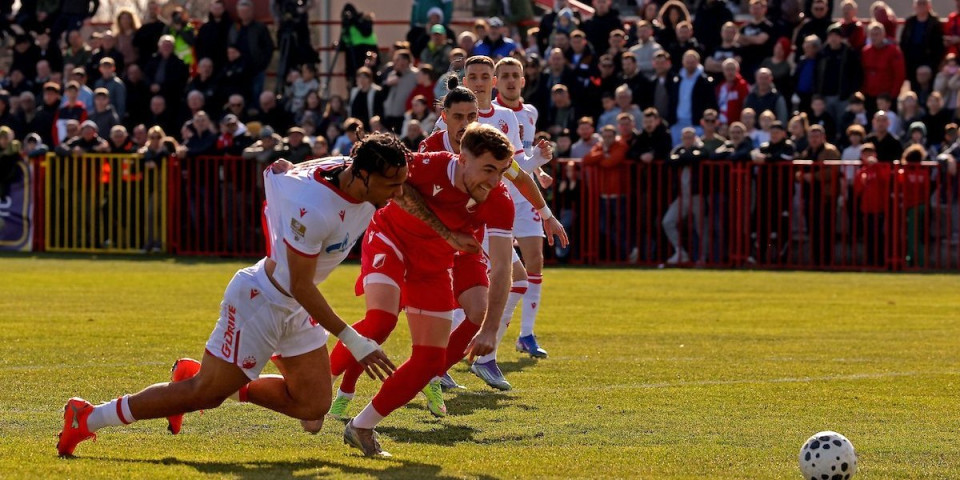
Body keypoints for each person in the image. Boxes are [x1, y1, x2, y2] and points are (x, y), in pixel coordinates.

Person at [56, 133, 420, 457]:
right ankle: (88, 416)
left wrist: (286, 169)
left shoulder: (349, 170)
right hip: (261, 301)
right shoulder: (314, 210)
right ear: (362, 175)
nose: (399, 192)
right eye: (392, 184)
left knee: (313, 405)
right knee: (205, 394)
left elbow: (285, 172)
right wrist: (354, 340)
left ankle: (202, 375)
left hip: (292, 304)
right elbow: (300, 284)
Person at [325, 124, 517, 457]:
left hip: (434, 264)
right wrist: (447, 234)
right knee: (381, 321)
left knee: (430, 360)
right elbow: (392, 185)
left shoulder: (499, 200)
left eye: (501, 171)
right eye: (488, 169)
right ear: (463, 157)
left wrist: (489, 329)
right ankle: (314, 381)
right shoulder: (427, 164)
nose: (495, 180)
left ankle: (361, 426)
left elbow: (502, 268)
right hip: (391, 238)